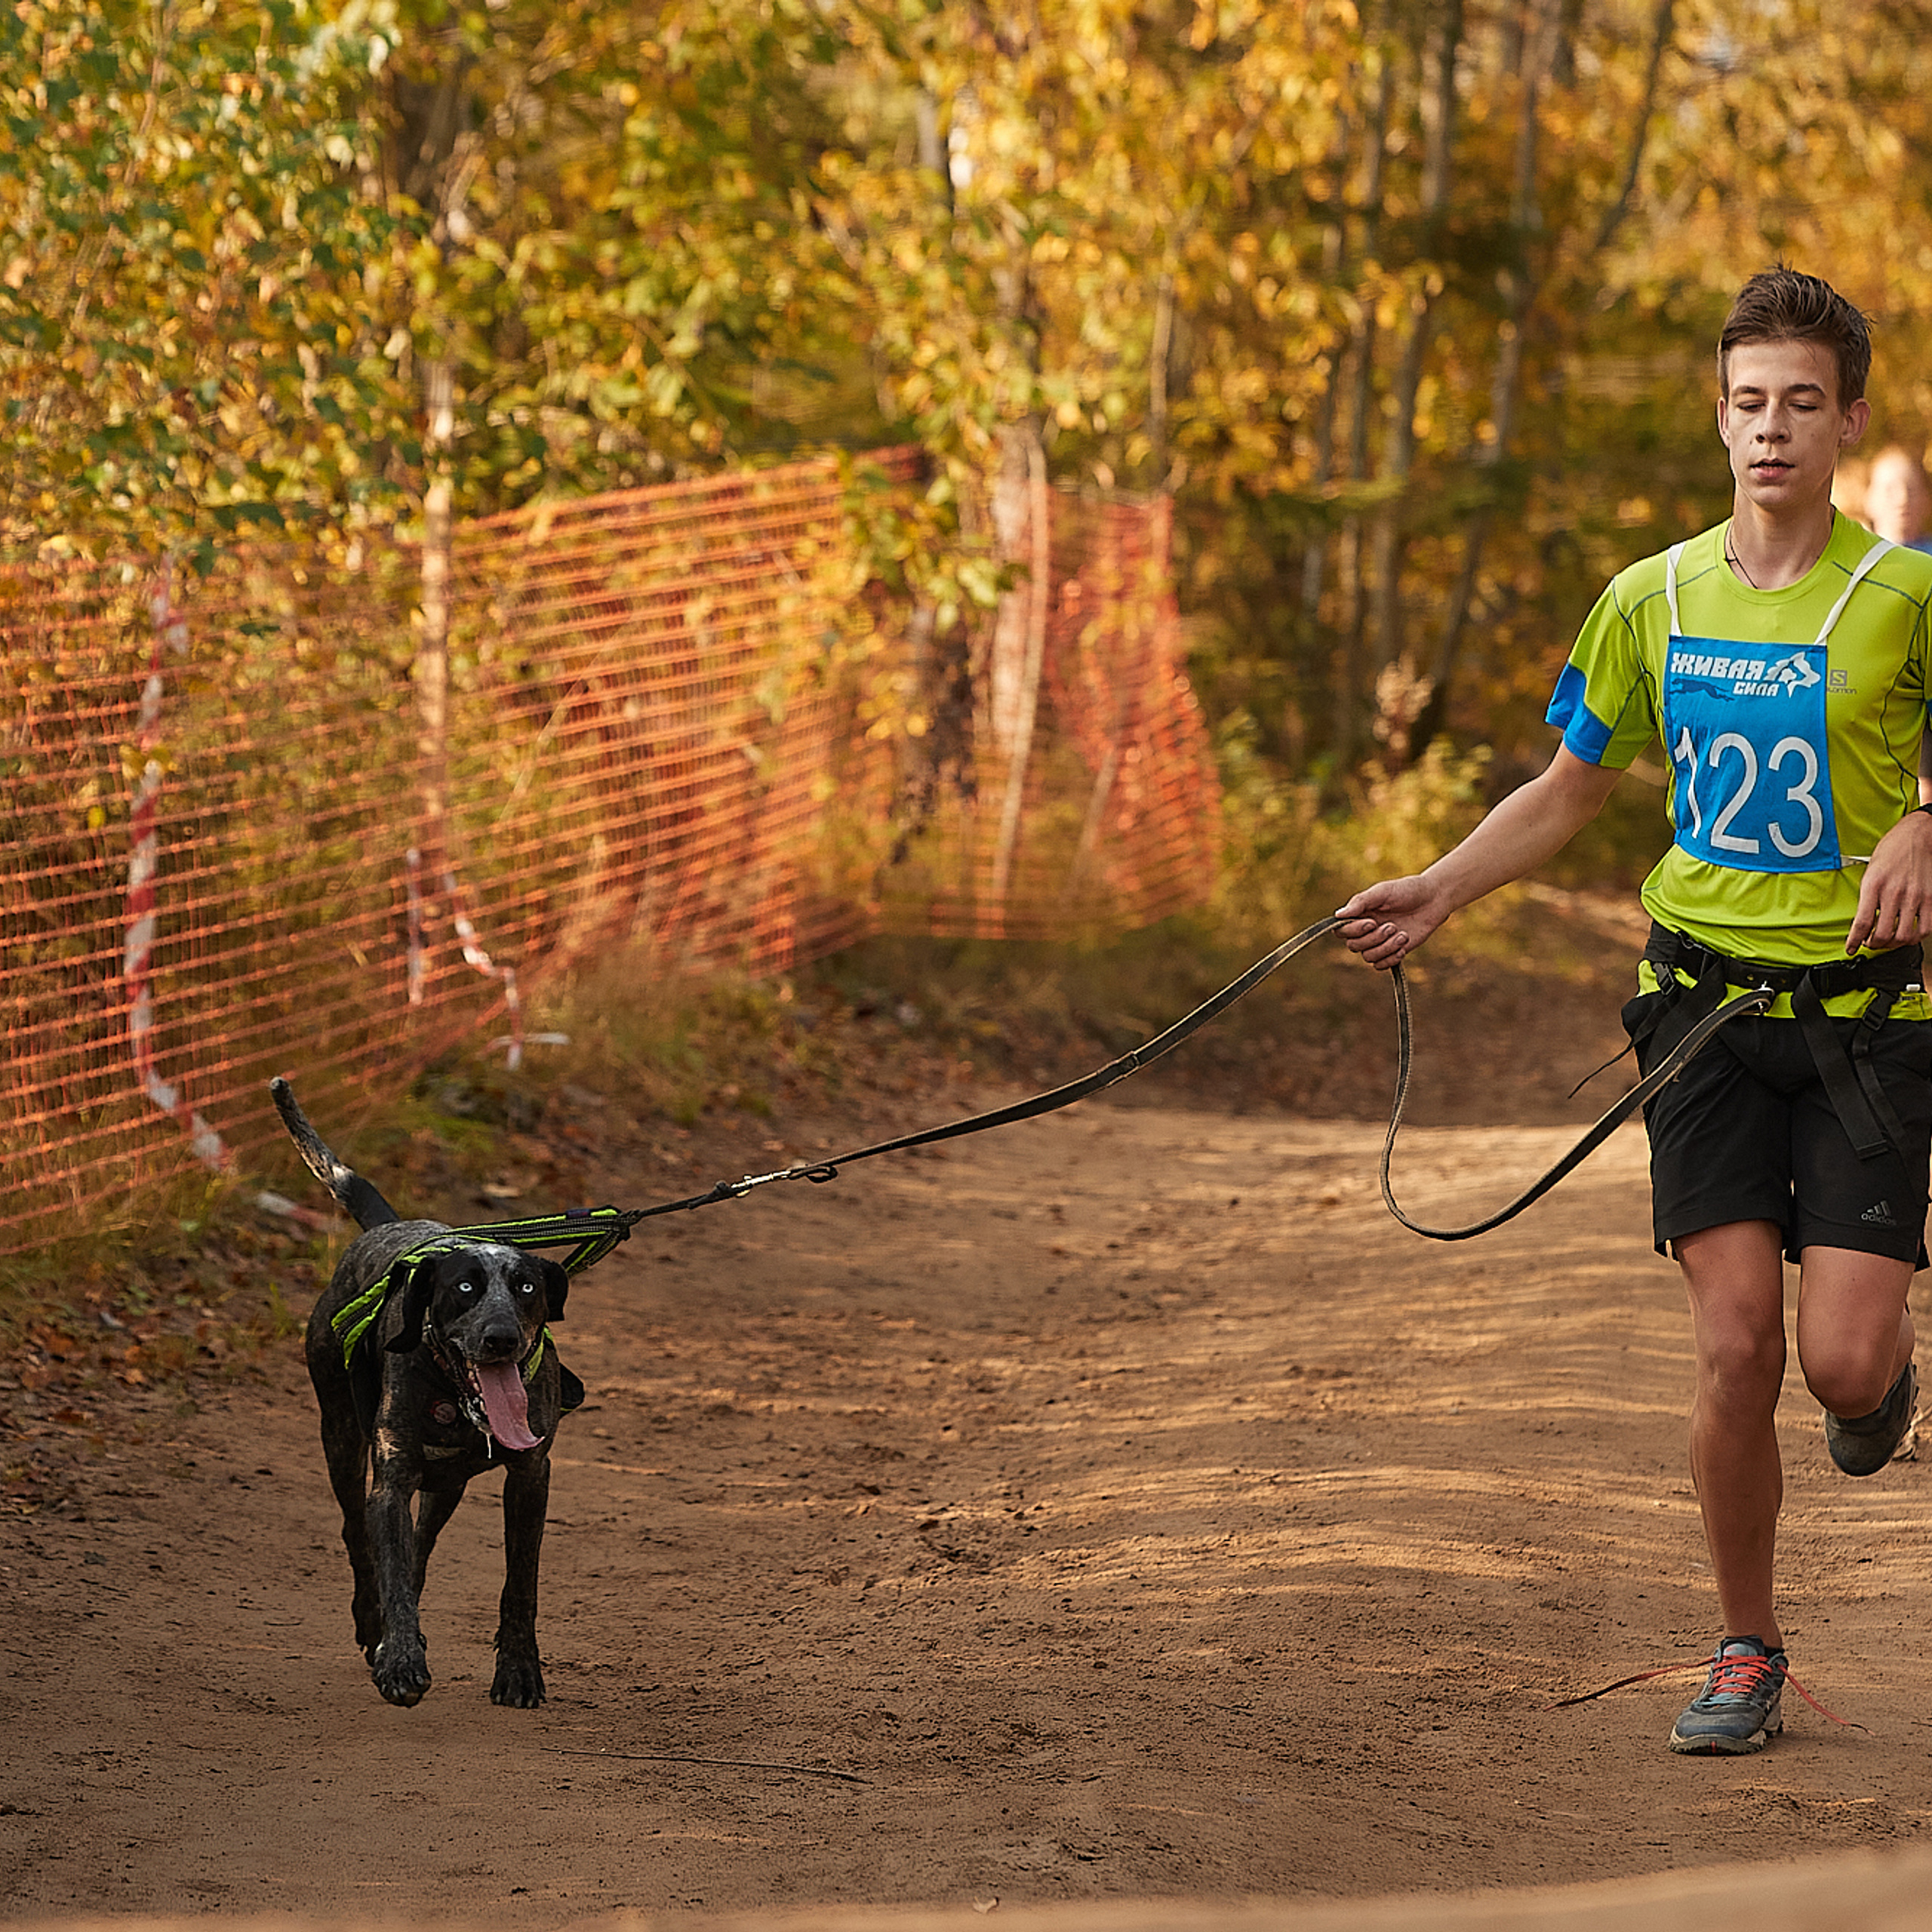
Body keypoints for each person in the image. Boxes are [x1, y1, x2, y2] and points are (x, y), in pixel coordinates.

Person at [1339, 266, 1932, 1757]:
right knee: (1733, 1347)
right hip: (1702, 1018)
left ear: (1846, 416)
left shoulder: (1905, 596)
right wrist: (1435, 887)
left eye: (1802, 401)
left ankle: (1876, 1385)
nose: (1771, 429)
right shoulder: (1648, 596)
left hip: (1864, 1029)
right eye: (1747, 402)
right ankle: (1745, 1645)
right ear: (1716, 419)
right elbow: (1565, 790)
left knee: (1839, 1365)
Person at [1864, 445, 1932, 553]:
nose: (1903, 500)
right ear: (1868, 498)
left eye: (1911, 490)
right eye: (1889, 490)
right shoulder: (1852, 559)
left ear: (1926, 499)